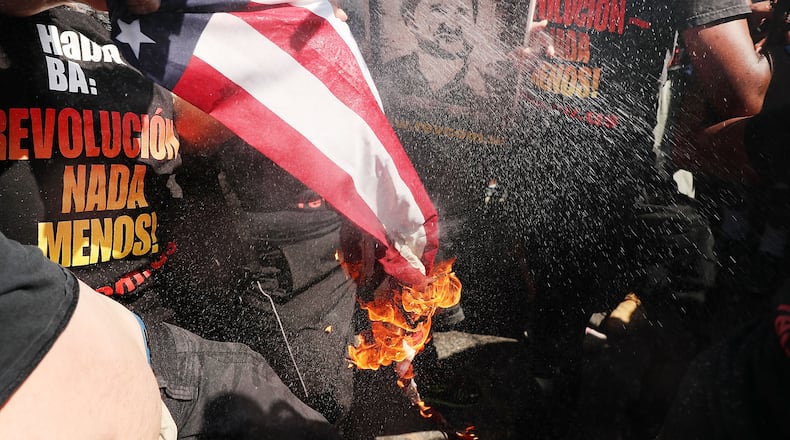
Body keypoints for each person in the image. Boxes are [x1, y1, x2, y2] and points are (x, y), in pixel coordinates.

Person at [0, 3, 343, 438]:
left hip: (161, 304)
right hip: (51, 321)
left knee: (296, 405)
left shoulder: (142, 38)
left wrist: (275, 60)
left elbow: (197, 131)